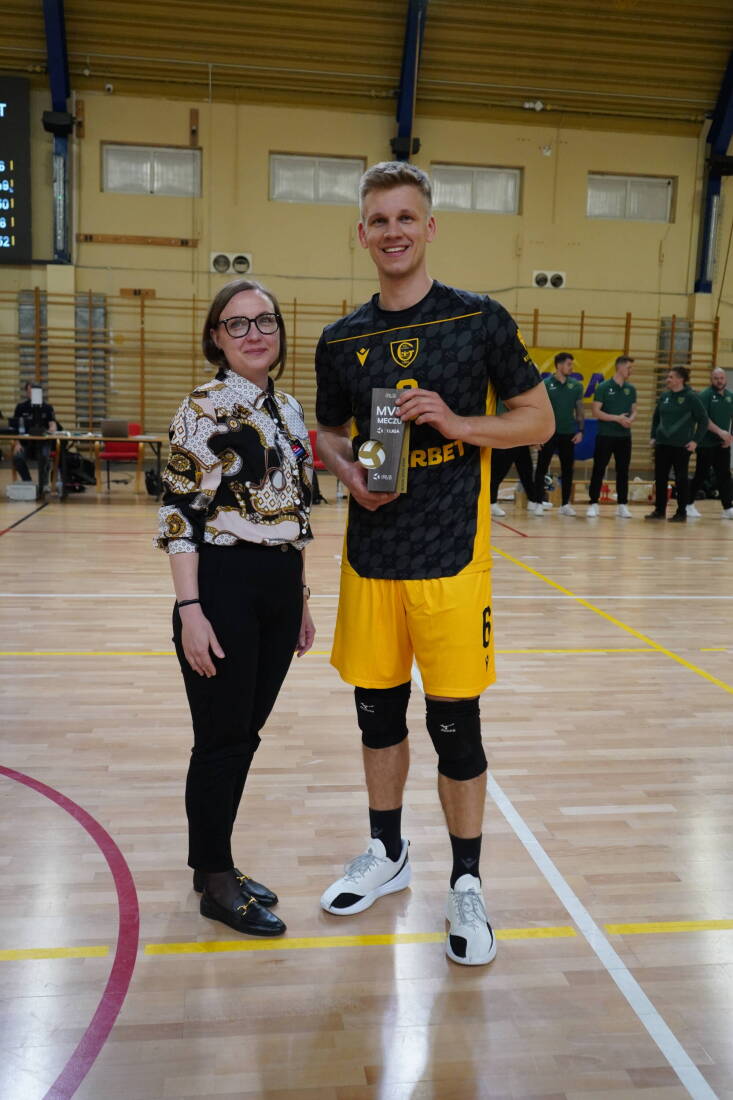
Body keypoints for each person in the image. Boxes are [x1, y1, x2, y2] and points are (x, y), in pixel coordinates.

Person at [315, 161, 553, 967]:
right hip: (370, 557)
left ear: (429, 226)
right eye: (379, 220)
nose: (393, 231)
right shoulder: (340, 339)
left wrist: (458, 423)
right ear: (362, 233)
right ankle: (387, 853)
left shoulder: (478, 320)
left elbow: (537, 421)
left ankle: (466, 880)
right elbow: (330, 434)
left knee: (455, 728)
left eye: (405, 217)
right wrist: (348, 473)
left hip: (451, 559)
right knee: (376, 718)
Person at [156, 278, 316, 937]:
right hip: (221, 583)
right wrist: (190, 609)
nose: (255, 333)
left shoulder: (291, 409)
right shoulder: (201, 408)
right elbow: (179, 514)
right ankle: (216, 883)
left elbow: (296, 511)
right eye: (238, 323)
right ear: (216, 338)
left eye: (265, 320)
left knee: (244, 735)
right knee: (221, 739)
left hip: (279, 585)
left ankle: (213, 861)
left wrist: (300, 596)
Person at [646, 366, 707, 523]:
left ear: (680, 379)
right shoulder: (664, 396)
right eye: (668, 377)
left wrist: (695, 441)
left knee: (681, 479)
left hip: (681, 446)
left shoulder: (691, 397)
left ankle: (681, 512)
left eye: (671, 377)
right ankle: (659, 510)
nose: (667, 379)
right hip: (662, 444)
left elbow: (703, 420)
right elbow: (656, 418)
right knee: (660, 478)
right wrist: (653, 436)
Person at [531, 353, 584, 516]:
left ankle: (565, 504)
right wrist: (536, 435)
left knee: (568, 470)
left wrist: (580, 430)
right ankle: (538, 502)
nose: (571, 367)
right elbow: (537, 411)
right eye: (569, 364)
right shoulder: (545, 384)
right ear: (559, 365)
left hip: (568, 433)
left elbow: (580, 409)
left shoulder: (576, 386)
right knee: (541, 468)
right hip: (548, 433)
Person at [586, 356, 637, 519]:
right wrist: (617, 418)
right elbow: (596, 411)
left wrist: (630, 419)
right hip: (605, 435)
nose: (631, 371)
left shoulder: (631, 389)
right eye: (629, 367)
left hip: (624, 437)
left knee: (623, 471)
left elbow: (634, 410)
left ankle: (622, 505)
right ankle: (593, 503)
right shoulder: (603, 387)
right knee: (599, 469)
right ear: (619, 367)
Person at [686, 367, 733, 519]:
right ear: (711, 379)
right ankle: (688, 504)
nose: (719, 381)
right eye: (716, 378)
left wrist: (730, 438)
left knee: (724, 475)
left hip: (722, 444)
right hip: (705, 443)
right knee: (701, 474)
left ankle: (728, 508)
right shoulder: (705, 395)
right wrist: (720, 432)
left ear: (725, 379)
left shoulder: (730, 396)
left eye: (721, 378)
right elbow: (704, 420)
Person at [490, 399, 537, 517]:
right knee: (498, 473)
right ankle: (491, 503)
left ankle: (533, 500)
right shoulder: (502, 397)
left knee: (526, 470)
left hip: (520, 437)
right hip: (503, 436)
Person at [12, 381, 57, 491]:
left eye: (35, 392)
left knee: (45, 456)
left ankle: (44, 484)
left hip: (43, 442)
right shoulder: (21, 407)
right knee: (18, 457)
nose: (32, 394)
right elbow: (14, 429)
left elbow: (53, 424)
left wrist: (52, 429)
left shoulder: (47, 407)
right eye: (30, 392)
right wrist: (17, 443)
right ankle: (28, 483)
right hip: (25, 443)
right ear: (26, 393)